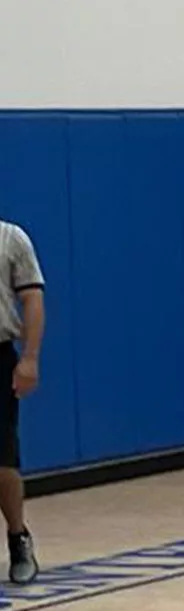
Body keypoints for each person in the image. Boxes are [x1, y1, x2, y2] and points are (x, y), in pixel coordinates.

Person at [0, 219, 46, 584]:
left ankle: (18, 537)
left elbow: (32, 298)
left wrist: (29, 358)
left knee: (2, 460)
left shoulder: (11, 238)